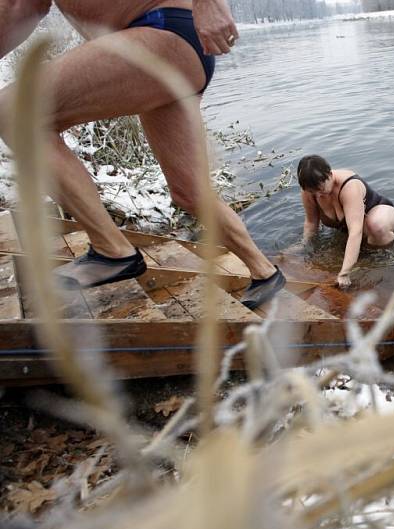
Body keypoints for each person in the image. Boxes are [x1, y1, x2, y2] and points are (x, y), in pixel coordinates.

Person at [0, 0, 285, 309]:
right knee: (190, 194)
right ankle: (264, 272)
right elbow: (20, 8)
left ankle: (111, 250)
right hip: (166, 42)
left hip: (161, 31)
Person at [296, 155, 394, 288]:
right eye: (312, 191)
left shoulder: (349, 186)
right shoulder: (309, 191)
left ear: (330, 174)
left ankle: (384, 263)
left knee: (376, 226)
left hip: (381, 213)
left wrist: (344, 272)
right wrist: (303, 246)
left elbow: (355, 232)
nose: (318, 195)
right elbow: (311, 224)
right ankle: (363, 255)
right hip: (352, 229)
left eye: (320, 189)